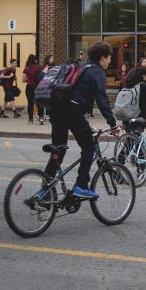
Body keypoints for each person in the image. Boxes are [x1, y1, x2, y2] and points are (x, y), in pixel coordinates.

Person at [44, 40, 121, 199]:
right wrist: (113, 124)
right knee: (89, 147)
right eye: (109, 58)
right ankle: (81, 185)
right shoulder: (97, 72)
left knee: (59, 150)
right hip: (73, 113)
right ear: (102, 57)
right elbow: (102, 100)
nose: (110, 61)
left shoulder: (81, 67)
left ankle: (45, 189)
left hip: (57, 111)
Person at [22, 54, 41, 124]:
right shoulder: (39, 67)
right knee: (39, 102)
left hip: (29, 87)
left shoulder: (26, 68)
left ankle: (30, 119)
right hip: (37, 87)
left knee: (30, 103)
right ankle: (40, 117)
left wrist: (28, 78)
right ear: (34, 60)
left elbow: (23, 80)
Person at [36, 55, 55, 124]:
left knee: (48, 101)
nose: (52, 59)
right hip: (43, 86)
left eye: (52, 58)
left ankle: (48, 115)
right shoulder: (43, 67)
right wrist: (43, 72)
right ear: (47, 59)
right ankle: (41, 116)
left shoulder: (53, 67)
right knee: (42, 102)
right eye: (51, 58)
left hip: (50, 87)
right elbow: (38, 78)